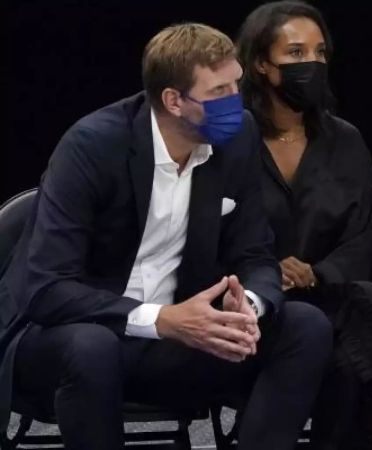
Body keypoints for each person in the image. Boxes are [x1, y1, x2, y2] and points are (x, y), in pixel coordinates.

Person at [0, 23, 332, 450]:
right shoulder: (93, 145)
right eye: (218, 93)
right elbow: (45, 287)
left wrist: (247, 305)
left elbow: (255, 252)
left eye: (236, 84)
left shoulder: (238, 136)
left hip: (180, 333)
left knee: (305, 326)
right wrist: (160, 319)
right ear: (174, 100)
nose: (235, 101)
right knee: (91, 347)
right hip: (72, 333)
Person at [235, 3, 372, 450]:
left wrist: (315, 273)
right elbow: (217, 229)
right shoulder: (231, 142)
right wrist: (268, 271)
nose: (310, 65)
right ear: (260, 63)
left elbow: (363, 233)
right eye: (295, 53)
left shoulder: (344, 140)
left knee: (350, 354)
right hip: (254, 307)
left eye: (319, 53)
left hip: (330, 295)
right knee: (360, 320)